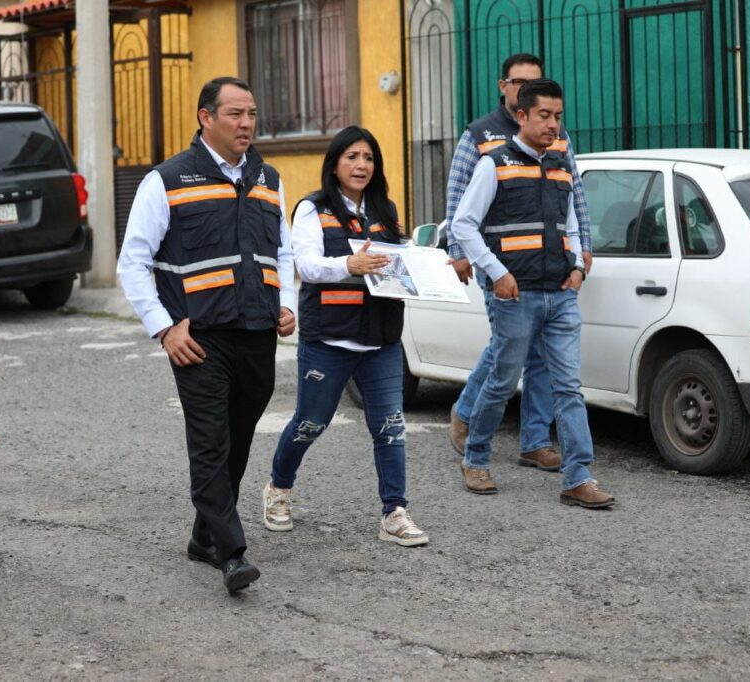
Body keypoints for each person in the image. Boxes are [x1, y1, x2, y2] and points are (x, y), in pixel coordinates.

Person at [117, 77, 297, 594]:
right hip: (198, 338)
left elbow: (281, 251)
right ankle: (231, 552)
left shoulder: (268, 177)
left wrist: (284, 303)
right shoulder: (168, 179)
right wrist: (164, 327)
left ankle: (203, 536)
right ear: (206, 117)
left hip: (258, 334)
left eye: (252, 115)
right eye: (236, 114)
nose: (246, 124)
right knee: (211, 443)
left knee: (238, 439)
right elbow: (133, 263)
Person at [262, 126, 428, 547]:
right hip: (328, 341)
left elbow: (399, 263)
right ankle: (279, 490)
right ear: (334, 163)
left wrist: (428, 270)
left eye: (369, 158)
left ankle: (394, 512)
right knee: (310, 423)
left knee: (390, 427)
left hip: (382, 341)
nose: (361, 165)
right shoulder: (312, 209)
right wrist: (348, 266)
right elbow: (308, 265)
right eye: (352, 156)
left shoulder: (385, 210)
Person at [451, 79, 614, 508]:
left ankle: (579, 478)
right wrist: (497, 272)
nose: (553, 124)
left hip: (560, 293)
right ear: (521, 116)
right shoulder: (495, 162)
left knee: (569, 389)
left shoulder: (560, 162)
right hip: (515, 296)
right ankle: (476, 457)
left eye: (558, 116)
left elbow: (571, 220)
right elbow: (463, 223)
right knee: (503, 381)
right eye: (544, 115)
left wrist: (578, 266)